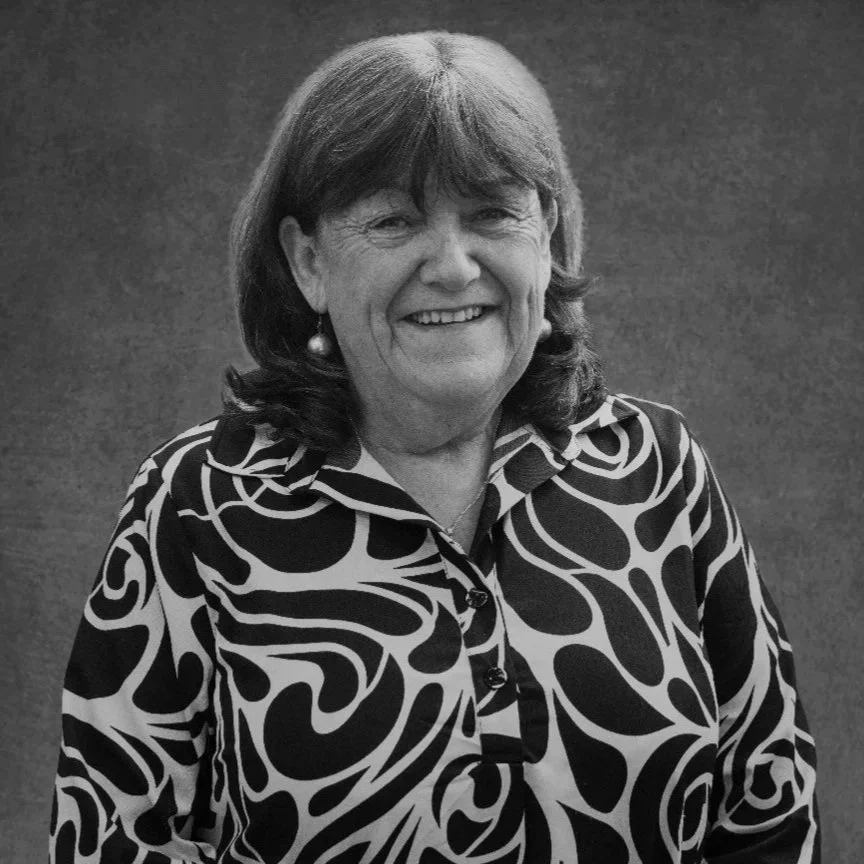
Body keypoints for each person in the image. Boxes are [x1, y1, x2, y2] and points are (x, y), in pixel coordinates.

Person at [50, 31, 819, 864]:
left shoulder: (658, 467)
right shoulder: (198, 501)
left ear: (547, 232)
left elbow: (771, 806)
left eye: (492, 211)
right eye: (393, 219)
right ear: (308, 262)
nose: (453, 266)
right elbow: (114, 842)